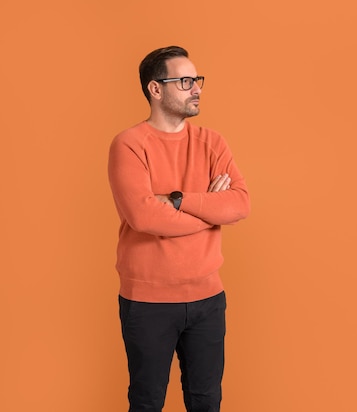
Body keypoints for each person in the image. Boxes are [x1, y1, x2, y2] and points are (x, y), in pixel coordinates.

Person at [108, 45, 250, 412]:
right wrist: (210, 209)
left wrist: (176, 200)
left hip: (207, 300)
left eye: (196, 80)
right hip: (147, 302)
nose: (196, 88)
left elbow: (239, 204)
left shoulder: (212, 142)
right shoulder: (129, 144)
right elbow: (143, 218)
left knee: (206, 402)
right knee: (146, 401)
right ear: (156, 89)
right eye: (185, 81)